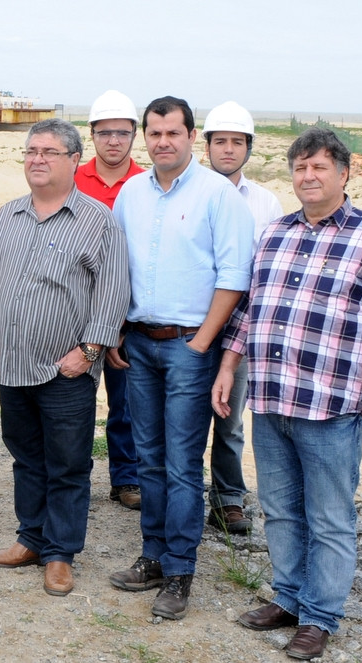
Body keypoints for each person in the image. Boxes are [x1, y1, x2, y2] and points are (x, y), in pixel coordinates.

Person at [213, 127, 362, 662]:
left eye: (320, 167)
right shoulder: (274, 234)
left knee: (329, 517)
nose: (309, 176)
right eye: (300, 167)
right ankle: (289, 598)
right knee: (279, 510)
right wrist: (228, 365)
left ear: (344, 174)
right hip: (272, 401)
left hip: (330, 406)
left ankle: (319, 616)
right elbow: (250, 312)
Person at [108, 96, 253, 619]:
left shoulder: (218, 194)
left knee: (182, 463)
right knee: (148, 456)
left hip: (190, 345)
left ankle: (179, 570)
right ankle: (151, 556)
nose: (162, 141)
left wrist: (201, 344)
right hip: (139, 344)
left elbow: (234, 276)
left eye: (173, 133)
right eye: (154, 133)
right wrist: (118, 330)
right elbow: (116, 267)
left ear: (191, 136)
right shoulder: (131, 193)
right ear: (145, 138)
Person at [0, 120, 129, 597]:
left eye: (49, 151)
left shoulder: (96, 220)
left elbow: (112, 292)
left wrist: (87, 352)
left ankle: (60, 553)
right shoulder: (8, 216)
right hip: (14, 363)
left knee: (67, 463)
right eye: (31, 151)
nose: (37, 159)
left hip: (67, 369)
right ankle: (31, 539)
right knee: (25, 456)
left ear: (73, 160)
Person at [199, 100, 285, 536]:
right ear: (207, 144)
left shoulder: (266, 204)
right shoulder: (187, 190)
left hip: (242, 330)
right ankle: (170, 493)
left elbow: (266, 273)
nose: (228, 150)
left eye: (237, 142)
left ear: (249, 147)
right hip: (190, 327)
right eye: (220, 141)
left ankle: (228, 499)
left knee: (230, 420)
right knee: (180, 417)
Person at [75, 89, 145, 511]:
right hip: (76, 310)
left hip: (126, 314)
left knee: (126, 403)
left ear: (134, 136)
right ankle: (72, 473)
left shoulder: (147, 183)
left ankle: (127, 478)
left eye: (122, 133)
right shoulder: (72, 177)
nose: (113, 141)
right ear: (92, 135)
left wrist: (119, 321)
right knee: (75, 399)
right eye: (105, 133)